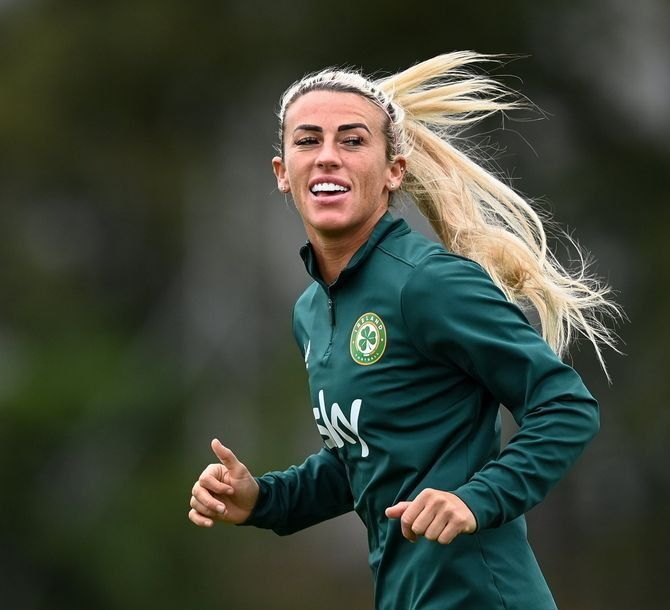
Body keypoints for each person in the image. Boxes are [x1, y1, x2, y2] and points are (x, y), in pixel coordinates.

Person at [187, 51, 619, 610]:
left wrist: (476, 499)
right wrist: (263, 499)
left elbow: (565, 406)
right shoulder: (311, 313)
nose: (327, 158)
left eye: (352, 141)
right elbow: (365, 459)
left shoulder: (429, 284)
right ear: (281, 173)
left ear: (394, 170)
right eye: (308, 140)